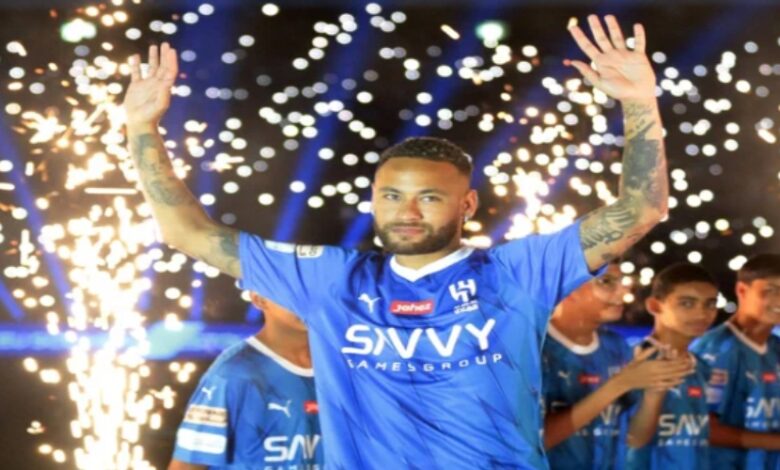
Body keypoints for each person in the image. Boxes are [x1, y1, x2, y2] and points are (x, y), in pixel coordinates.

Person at [124, 14, 668, 468]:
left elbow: (641, 211)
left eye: (428, 197)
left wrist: (640, 102)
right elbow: (186, 232)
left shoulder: (517, 272)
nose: (406, 212)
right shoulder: (330, 278)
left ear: (467, 205)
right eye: (390, 196)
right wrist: (142, 127)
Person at [543, 262, 693, 469]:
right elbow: (532, 441)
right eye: (606, 282)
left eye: (623, 282)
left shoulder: (616, 346)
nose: (624, 291)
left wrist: (655, 390)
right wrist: (619, 384)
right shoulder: (529, 348)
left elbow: (634, 438)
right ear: (566, 286)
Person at [169, 294, 321, 470]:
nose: (305, 298)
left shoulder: (341, 364)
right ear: (259, 298)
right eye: (290, 290)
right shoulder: (231, 374)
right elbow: (187, 465)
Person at [624, 263, 718, 469]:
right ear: (655, 306)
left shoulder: (703, 367)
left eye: (710, 304)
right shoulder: (630, 361)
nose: (702, 313)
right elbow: (629, 439)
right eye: (687, 303)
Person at [692, 253, 780, 469]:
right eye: (771, 290)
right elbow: (700, 426)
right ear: (742, 290)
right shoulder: (716, 349)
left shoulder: (775, 348)